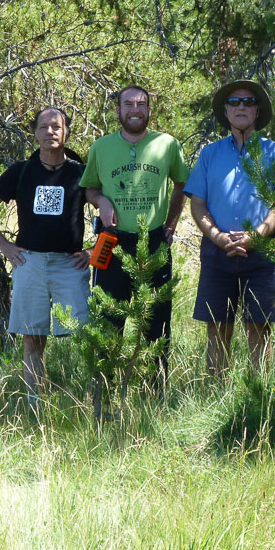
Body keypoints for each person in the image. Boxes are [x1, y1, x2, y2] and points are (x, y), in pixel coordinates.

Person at [0, 107, 91, 407]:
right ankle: (34, 404)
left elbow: (108, 208)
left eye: (56, 127)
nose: (50, 132)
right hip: (30, 264)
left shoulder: (81, 172)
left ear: (66, 132)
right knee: (33, 336)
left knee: (85, 335)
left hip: (69, 265)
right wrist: (5, 246)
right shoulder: (21, 171)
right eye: (44, 127)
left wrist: (93, 251)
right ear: (35, 133)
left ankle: (89, 400)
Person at [184, 80, 275, 375]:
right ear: (226, 111)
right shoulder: (210, 154)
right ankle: (216, 395)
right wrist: (218, 237)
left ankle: (257, 396)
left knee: (259, 328)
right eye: (234, 102)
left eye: (248, 102)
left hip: (260, 253)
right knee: (217, 328)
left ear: (257, 111)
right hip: (217, 253)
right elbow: (197, 204)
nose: (241, 107)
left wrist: (256, 235)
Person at [80, 85, 189, 381]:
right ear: (118, 111)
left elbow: (181, 185)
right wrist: (101, 201)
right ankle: (104, 389)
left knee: (157, 321)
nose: (135, 109)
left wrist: (171, 224)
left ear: (150, 111)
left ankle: (156, 391)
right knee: (107, 321)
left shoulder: (167, 144)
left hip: (153, 240)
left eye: (142, 104)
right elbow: (89, 187)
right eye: (128, 104)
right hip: (112, 242)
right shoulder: (101, 147)